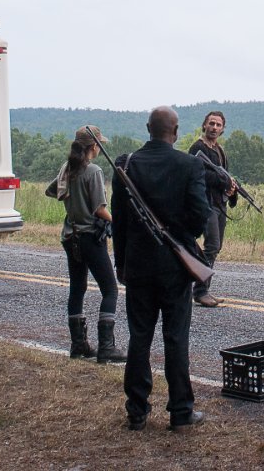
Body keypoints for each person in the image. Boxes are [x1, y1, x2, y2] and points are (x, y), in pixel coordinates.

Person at [111, 106, 210, 431]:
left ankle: (137, 411)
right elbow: (200, 216)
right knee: (175, 338)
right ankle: (181, 411)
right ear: (176, 131)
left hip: (138, 265)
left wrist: (121, 263)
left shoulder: (125, 165)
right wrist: (179, 236)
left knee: (140, 337)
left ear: (147, 129)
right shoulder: (189, 165)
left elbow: (120, 223)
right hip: (174, 267)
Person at [44, 125, 126, 364]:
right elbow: (99, 209)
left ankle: (78, 345)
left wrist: (71, 198)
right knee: (110, 289)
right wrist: (119, 223)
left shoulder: (66, 169)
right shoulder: (94, 171)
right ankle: (106, 348)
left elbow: (52, 191)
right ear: (94, 147)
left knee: (77, 289)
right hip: (91, 237)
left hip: (71, 237)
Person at [188, 109, 237, 307]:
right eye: (211, 123)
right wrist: (222, 180)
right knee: (212, 246)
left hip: (219, 204)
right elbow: (197, 174)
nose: (214, 127)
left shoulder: (220, 150)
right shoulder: (197, 148)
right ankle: (200, 290)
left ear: (223, 129)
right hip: (205, 204)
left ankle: (201, 288)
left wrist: (231, 189)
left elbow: (223, 175)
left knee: (214, 248)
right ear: (204, 125)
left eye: (218, 125)